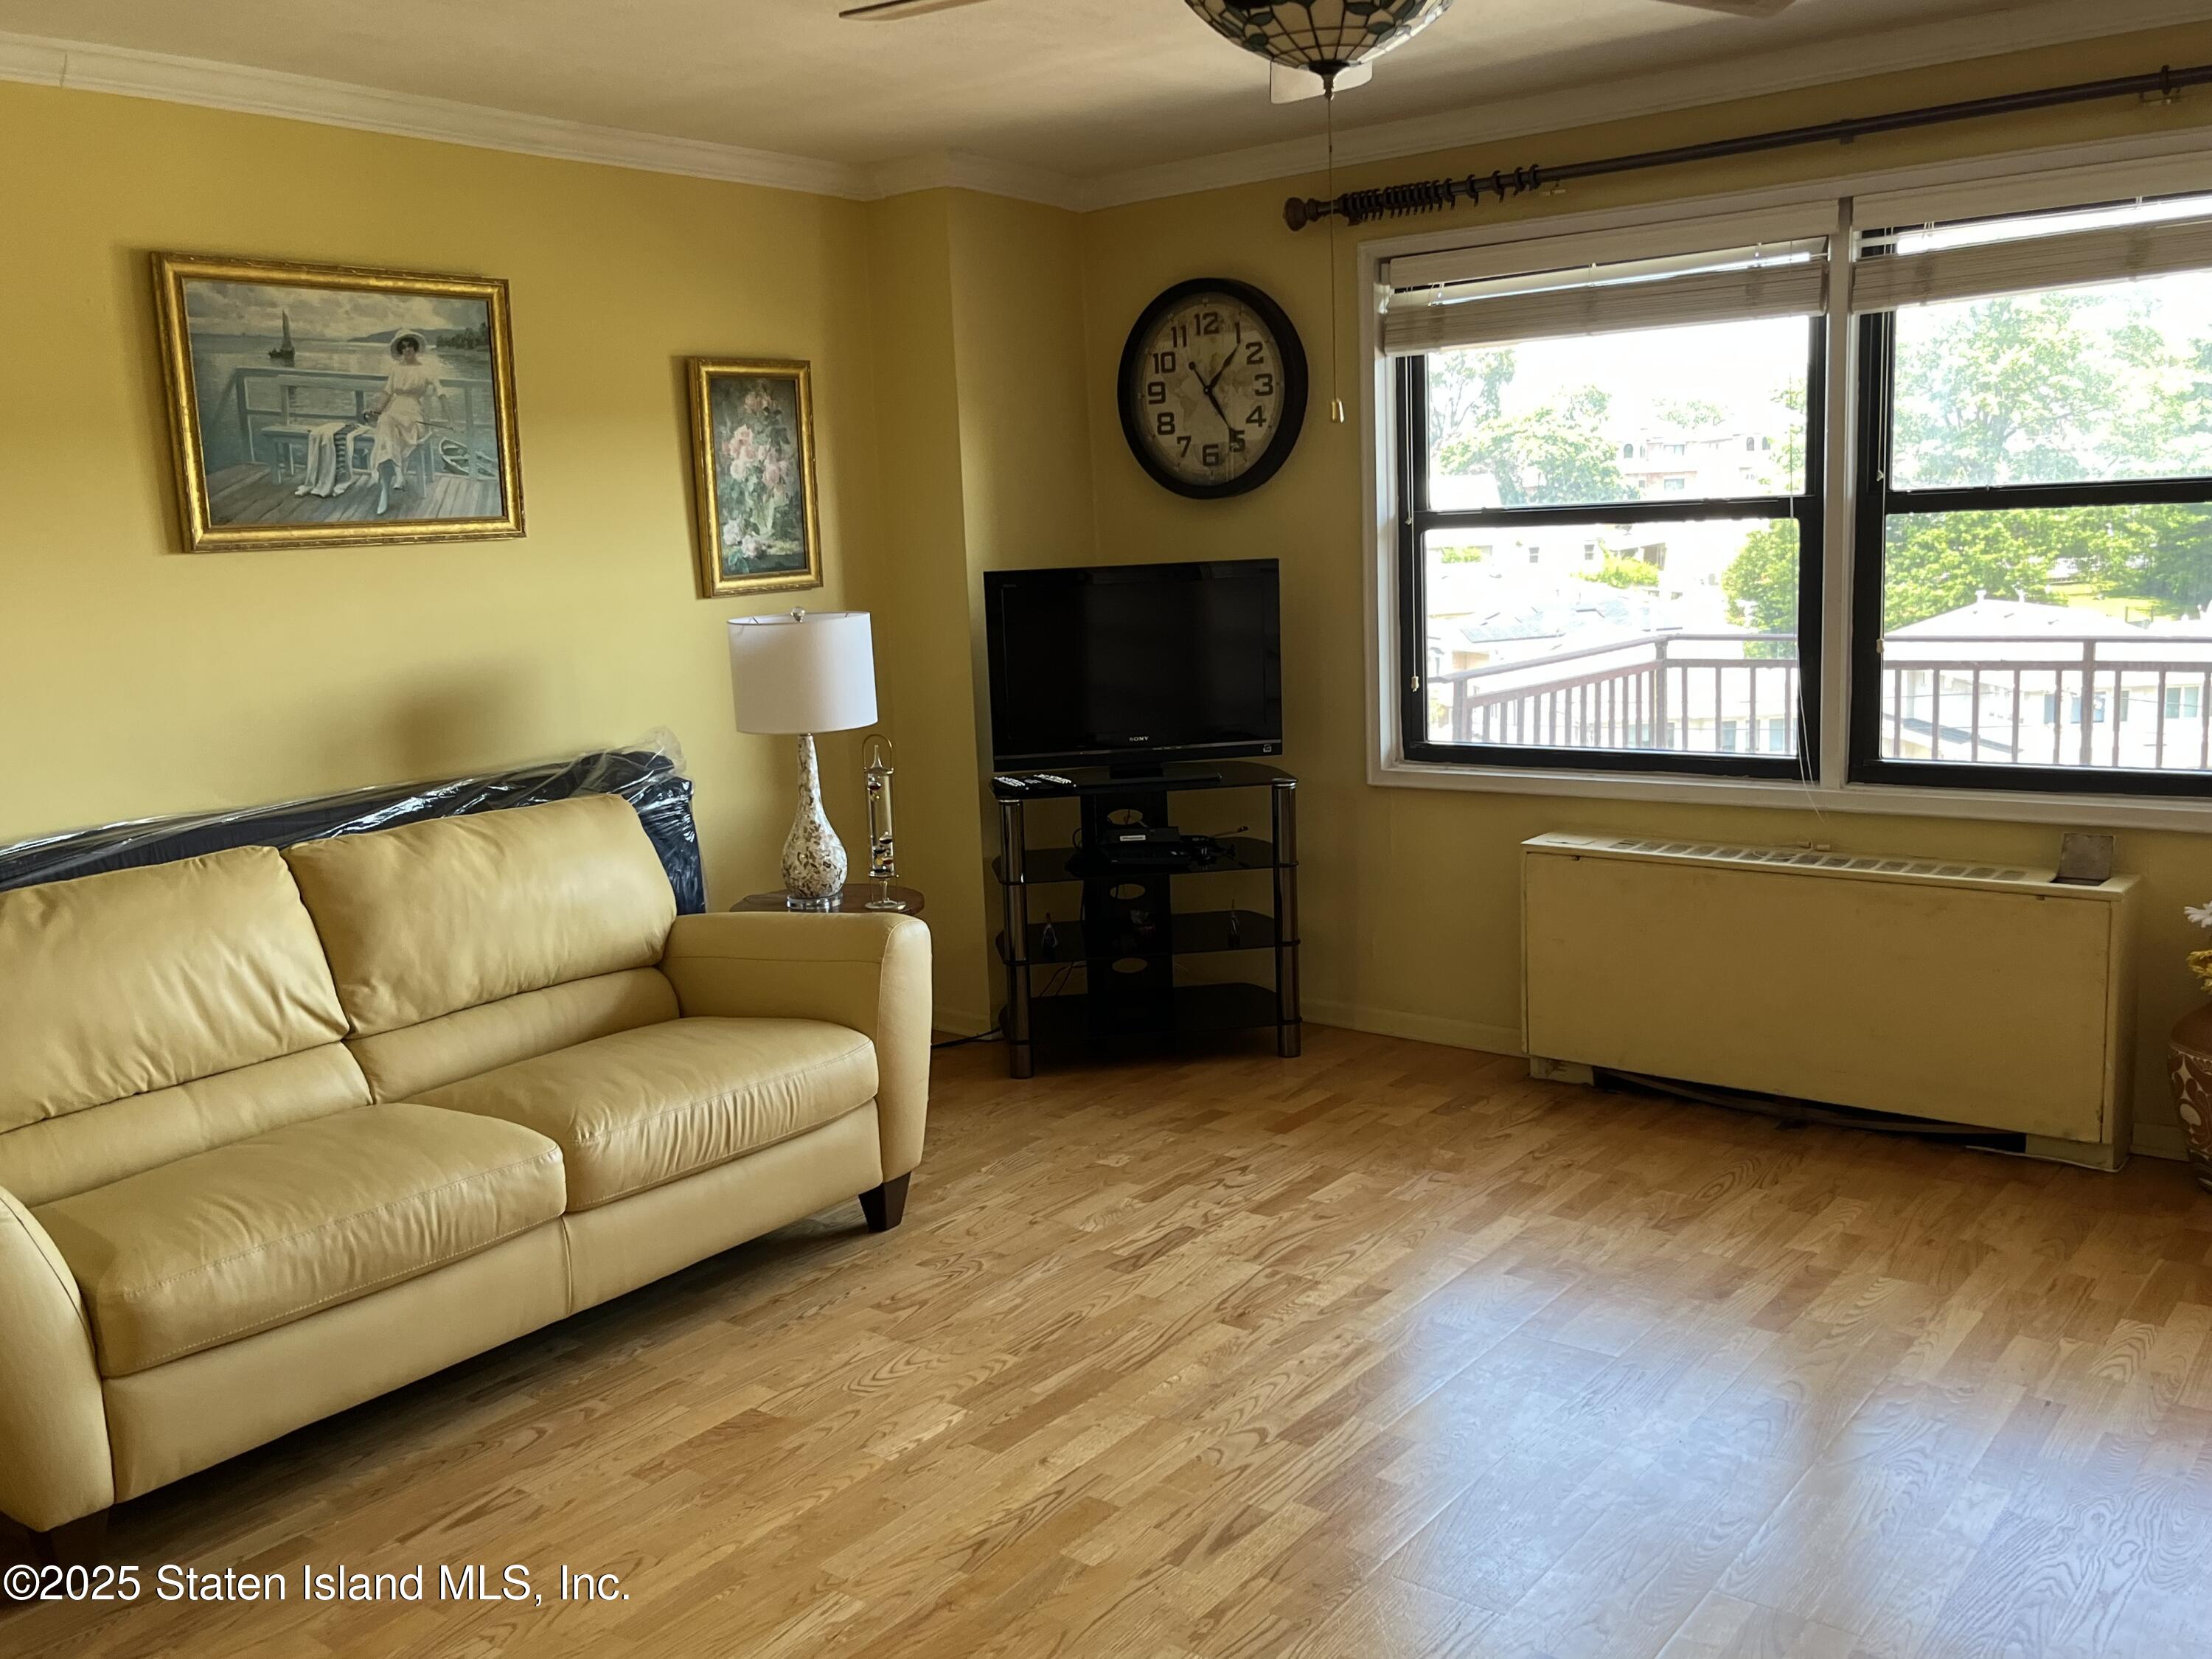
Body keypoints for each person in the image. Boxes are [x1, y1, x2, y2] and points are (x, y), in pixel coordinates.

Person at [364, 330, 441, 516]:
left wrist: (450, 418)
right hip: (394, 411)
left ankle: (389, 487)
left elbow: (440, 390)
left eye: (410, 346)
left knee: (386, 430)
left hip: (413, 414)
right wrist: (375, 411)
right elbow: (387, 394)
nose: (407, 349)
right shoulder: (396, 370)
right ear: (400, 350)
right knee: (385, 422)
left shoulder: (425, 369)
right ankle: (394, 480)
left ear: (415, 347)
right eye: (403, 347)